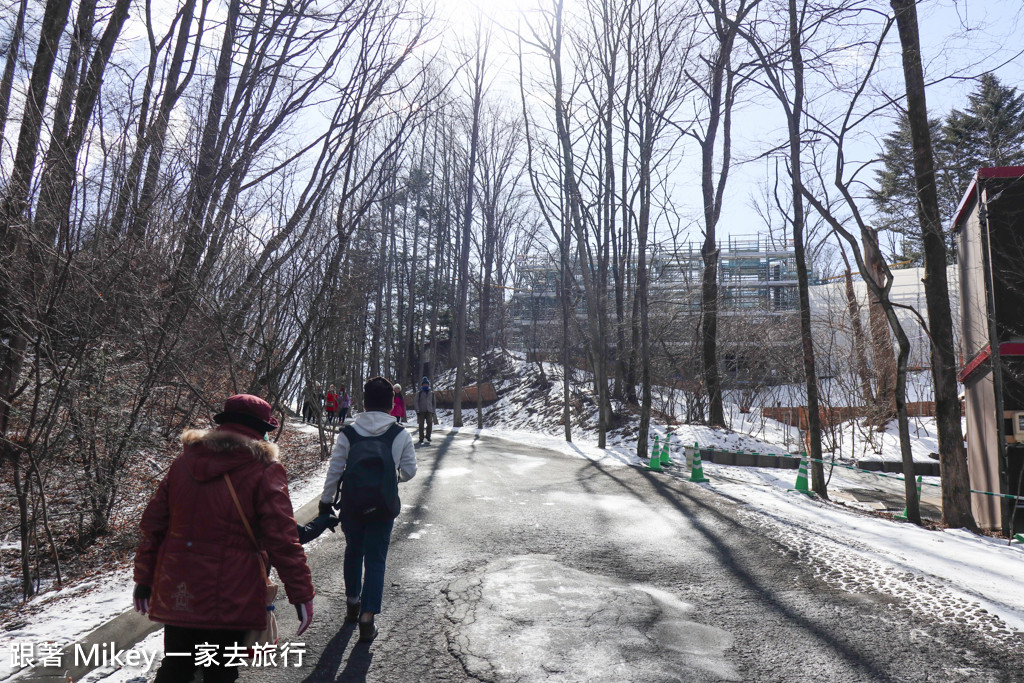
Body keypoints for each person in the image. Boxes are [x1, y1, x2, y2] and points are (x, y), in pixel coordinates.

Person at [133, 394, 315, 683]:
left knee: (177, 665)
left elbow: (153, 525)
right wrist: (301, 594)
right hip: (232, 590)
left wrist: (144, 579)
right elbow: (282, 537)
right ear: (261, 429)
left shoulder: (184, 463)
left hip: (179, 585)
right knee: (220, 670)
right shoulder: (264, 469)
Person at [319, 377, 417, 643]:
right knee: (376, 559)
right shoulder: (399, 434)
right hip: (383, 506)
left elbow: (335, 469)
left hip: (352, 504)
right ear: (390, 404)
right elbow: (409, 471)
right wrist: (389, 478)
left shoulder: (349, 433)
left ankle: (352, 603)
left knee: (353, 551)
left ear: (364, 403)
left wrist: (326, 500)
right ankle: (367, 618)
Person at [414, 377, 436, 444]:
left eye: (426, 384)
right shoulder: (419, 393)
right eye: (424, 384)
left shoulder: (431, 393)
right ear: (422, 385)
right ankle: (421, 437)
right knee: (421, 425)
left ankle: (428, 436)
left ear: (428, 385)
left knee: (429, 424)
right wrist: (417, 410)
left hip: (429, 410)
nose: (425, 385)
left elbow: (434, 403)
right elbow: (416, 402)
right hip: (421, 411)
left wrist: (433, 411)